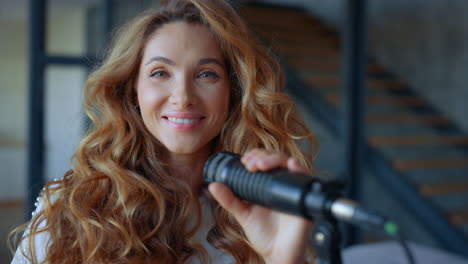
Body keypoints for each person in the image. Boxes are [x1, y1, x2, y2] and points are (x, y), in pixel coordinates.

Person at [10, 0, 318, 263]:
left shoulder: (262, 213)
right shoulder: (71, 207)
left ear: (233, 92)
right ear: (133, 91)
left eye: (207, 74)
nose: (182, 96)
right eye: (160, 73)